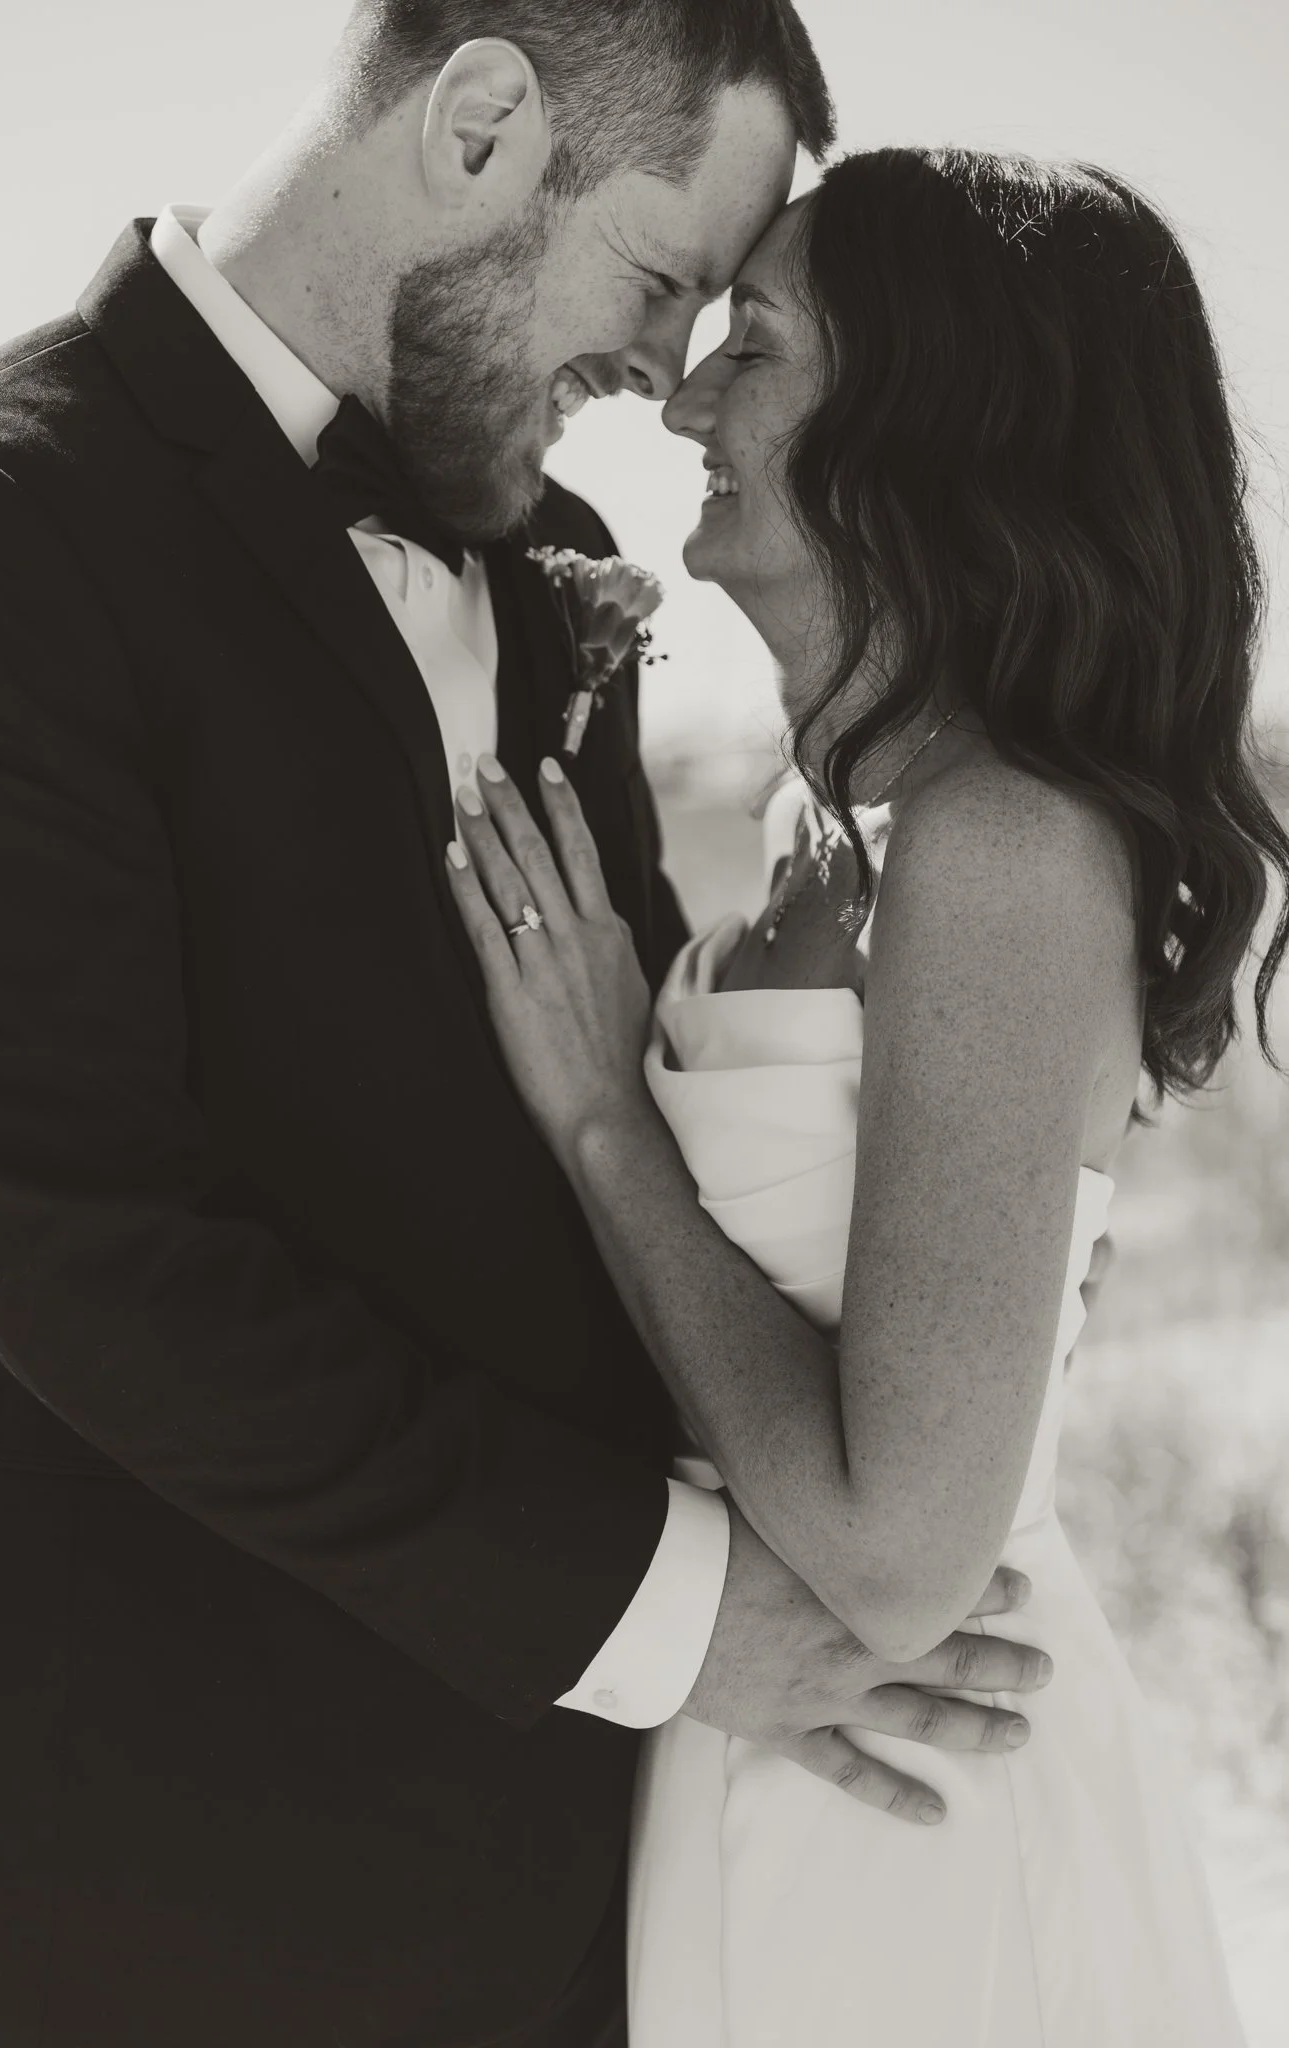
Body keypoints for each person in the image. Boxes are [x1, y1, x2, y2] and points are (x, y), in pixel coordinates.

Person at [0, 14, 1054, 2047]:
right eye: (653, 283)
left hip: (608, 1887)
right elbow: (98, 1263)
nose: (665, 377)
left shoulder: (554, 579)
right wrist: (709, 1620)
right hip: (187, 1917)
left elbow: (598, 1144)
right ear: (476, 119)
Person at [447, 150, 1289, 2044]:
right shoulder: (823, 827)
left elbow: (908, 1553)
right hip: (770, 1738)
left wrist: (599, 1114)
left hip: (919, 1826)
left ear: (931, 421)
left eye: (754, 345)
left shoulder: (999, 849)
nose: (681, 400)